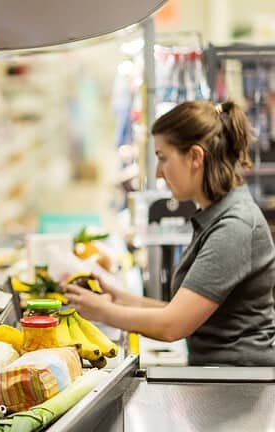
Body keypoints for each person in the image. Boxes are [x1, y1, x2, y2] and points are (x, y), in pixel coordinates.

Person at [64, 100, 275, 366]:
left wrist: (104, 312)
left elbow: (172, 325)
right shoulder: (220, 215)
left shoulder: (234, 226)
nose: (158, 172)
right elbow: (180, 312)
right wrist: (120, 299)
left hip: (239, 384)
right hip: (224, 377)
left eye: (163, 157)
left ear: (195, 157)